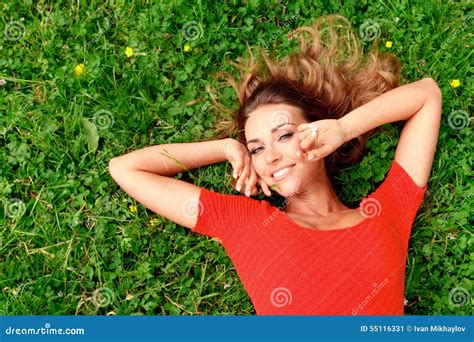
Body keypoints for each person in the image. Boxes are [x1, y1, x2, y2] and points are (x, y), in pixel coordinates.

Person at [108, 14, 442, 315]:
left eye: (284, 136)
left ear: (315, 130)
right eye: (256, 149)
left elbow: (427, 95)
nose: (269, 156)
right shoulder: (244, 223)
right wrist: (225, 148)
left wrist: (343, 128)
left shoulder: (387, 212)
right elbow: (126, 169)